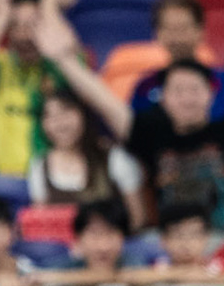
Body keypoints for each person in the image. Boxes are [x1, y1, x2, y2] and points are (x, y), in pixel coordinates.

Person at [44, 0, 224, 233]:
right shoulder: (152, 134)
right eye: (178, 91)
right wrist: (64, 61)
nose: (187, 99)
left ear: (210, 95)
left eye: (195, 90)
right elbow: (104, 102)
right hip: (171, 249)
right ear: (164, 99)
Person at [0, 0, 71, 179]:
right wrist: (1, 15)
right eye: (16, 26)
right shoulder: (2, 66)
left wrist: (49, 7)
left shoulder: (60, 66)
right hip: (7, 179)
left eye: (33, 24)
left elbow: (68, 50)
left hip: (54, 178)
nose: (25, 35)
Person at [28, 89, 147, 229]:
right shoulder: (39, 165)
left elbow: (138, 218)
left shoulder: (114, 157)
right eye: (49, 116)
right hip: (63, 249)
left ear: (83, 114)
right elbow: (41, 223)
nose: (59, 123)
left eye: (66, 112)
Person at [128, 0, 224, 120]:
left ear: (201, 31)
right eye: (169, 29)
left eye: (183, 28)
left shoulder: (221, 83)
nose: (177, 38)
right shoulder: (145, 86)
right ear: (157, 33)